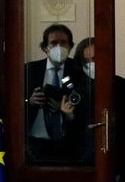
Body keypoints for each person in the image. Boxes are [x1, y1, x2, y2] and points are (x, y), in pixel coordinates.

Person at [74, 36, 125, 182]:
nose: (92, 65)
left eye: (96, 60)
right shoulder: (75, 86)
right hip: (82, 162)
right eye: (87, 61)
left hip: (114, 159)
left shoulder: (120, 85)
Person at [25, 23, 91, 164]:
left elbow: (87, 109)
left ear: (70, 46)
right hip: (34, 145)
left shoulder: (79, 72)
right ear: (45, 47)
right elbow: (13, 106)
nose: (59, 47)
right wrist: (29, 102)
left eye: (63, 43)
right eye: (54, 43)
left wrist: (69, 113)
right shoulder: (29, 70)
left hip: (68, 146)